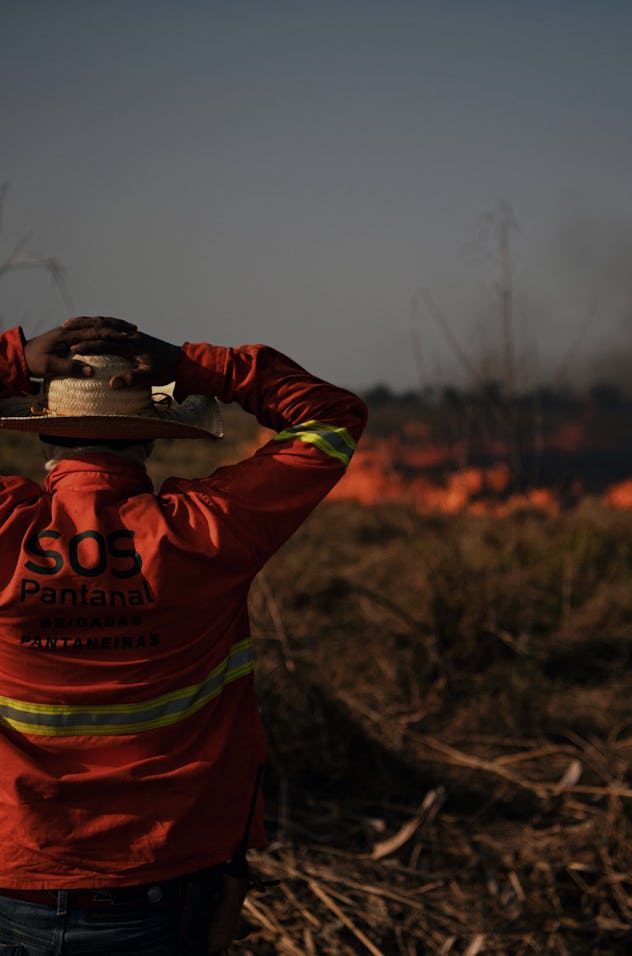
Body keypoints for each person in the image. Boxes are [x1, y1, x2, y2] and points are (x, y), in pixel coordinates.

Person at [0, 316, 368, 954]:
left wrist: (14, 357)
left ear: (44, 434)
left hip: (14, 878)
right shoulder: (207, 531)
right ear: (150, 439)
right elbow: (333, 417)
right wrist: (197, 365)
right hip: (157, 883)